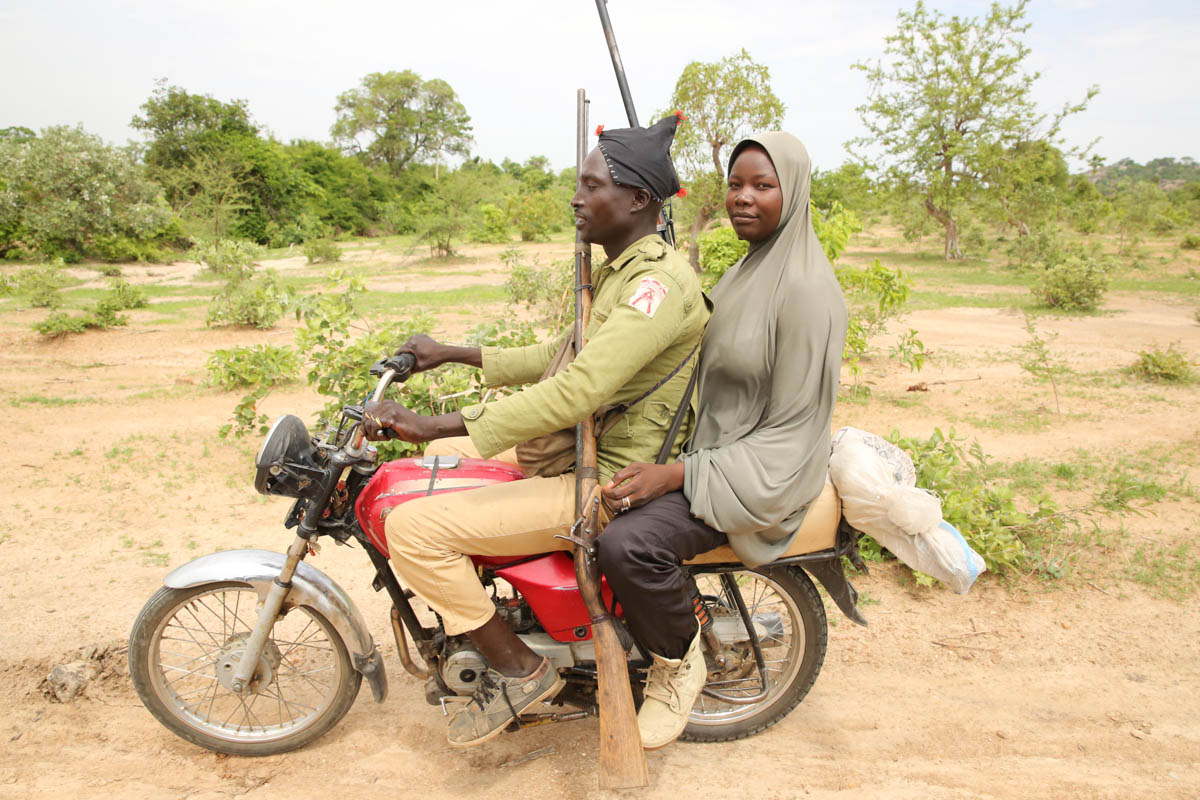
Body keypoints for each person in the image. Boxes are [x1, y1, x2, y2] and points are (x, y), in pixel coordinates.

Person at [361, 114, 708, 747]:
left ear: (636, 199)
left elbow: (580, 389)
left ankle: (520, 671)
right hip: (573, 457)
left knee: (413, 529)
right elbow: (562, 353)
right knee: (436, 489)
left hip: (603, 478)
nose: (577, 198)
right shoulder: (622, 272)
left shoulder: (654, 286)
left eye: (591, 184)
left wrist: (435, 425)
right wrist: (453, 353)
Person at [597, 132, 848, 750]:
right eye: (736, 184)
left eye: (763, 186)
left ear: (794, 193)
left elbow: (790, 431)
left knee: (628, 545)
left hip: (763, 474)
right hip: (709, 456)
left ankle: (678, 667)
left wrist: (678, 474)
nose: (743, 198)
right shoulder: (743, 273)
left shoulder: (808, 293)